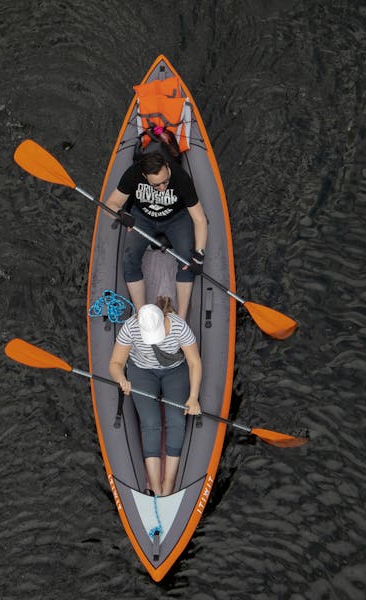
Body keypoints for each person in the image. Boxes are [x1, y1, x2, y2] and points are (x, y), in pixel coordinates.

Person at [108, 297, 202, 497]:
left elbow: (194, 362)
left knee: (176, 419)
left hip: (174, 371)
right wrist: (121, 379)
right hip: (142, 372)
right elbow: (115, 363)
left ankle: (168, 485)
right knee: (151, 422)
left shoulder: (179, 327)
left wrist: (193, 397)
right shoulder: (131, 327)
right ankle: (156, 489)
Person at [104, 152, 208, 319]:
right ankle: (142, 314)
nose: (162, 188)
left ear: (167, 167)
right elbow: (109, 205)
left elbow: (200, 219)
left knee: (187, 262)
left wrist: (199, 255)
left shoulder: (181, 178)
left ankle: (181, 320)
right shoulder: (133, 174)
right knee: (129, 261)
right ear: (145, 176)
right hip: (143, 218)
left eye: (165, 181)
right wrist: (120, 214)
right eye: (156, 185)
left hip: (176, 219)